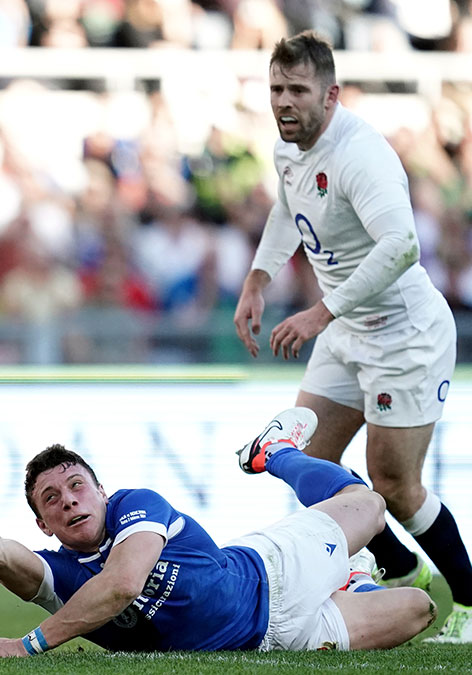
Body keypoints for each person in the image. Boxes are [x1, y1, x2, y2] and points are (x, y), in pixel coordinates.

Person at [232, 30, 472, 643]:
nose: (283, 102)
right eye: (276, 89)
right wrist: (258, 278)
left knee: (394, 483)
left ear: (331, 94)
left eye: (298, 91)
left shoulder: (360, 154)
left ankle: (470, 601)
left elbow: (402, 245)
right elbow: (288, 209)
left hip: (404, 334)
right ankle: (397, 565)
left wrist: (320, 312)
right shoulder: (291, 146)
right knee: (308, 459)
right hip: (348, 328)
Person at [0, 407, 436, 654]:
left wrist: (28, 646)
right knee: (417, 609)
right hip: (276, 640)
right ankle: (353, 577)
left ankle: (275, 453)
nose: (69, 500)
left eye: (76, 486)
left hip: (274, 573)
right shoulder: (60, 573)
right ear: (42, 524)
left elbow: (123, 583)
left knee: (367, 503)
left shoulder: (136, 506)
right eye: (52, 500)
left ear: (101, 491)